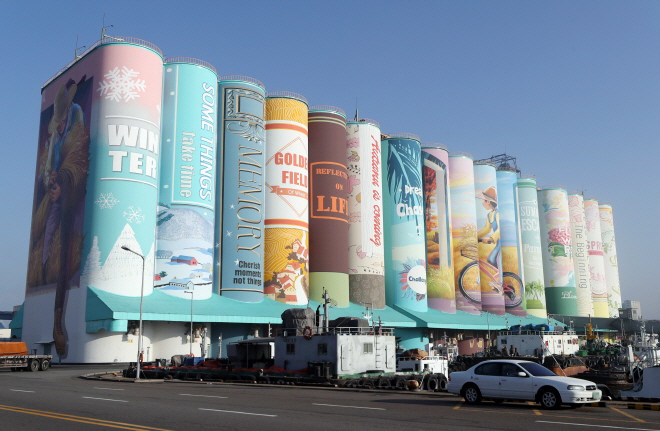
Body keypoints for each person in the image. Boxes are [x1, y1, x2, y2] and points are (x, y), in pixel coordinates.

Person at [28, 77, 89, 358]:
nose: (60, 126)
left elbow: (79, 155)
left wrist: (64, 179)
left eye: (61, 121)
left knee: (65, 241)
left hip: (72, 200)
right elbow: (45, 170)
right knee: (48, 229)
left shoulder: (77, 117)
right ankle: (42, 265)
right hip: (57, 198)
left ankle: (58, 321)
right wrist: (50, 180)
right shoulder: (54, 136)